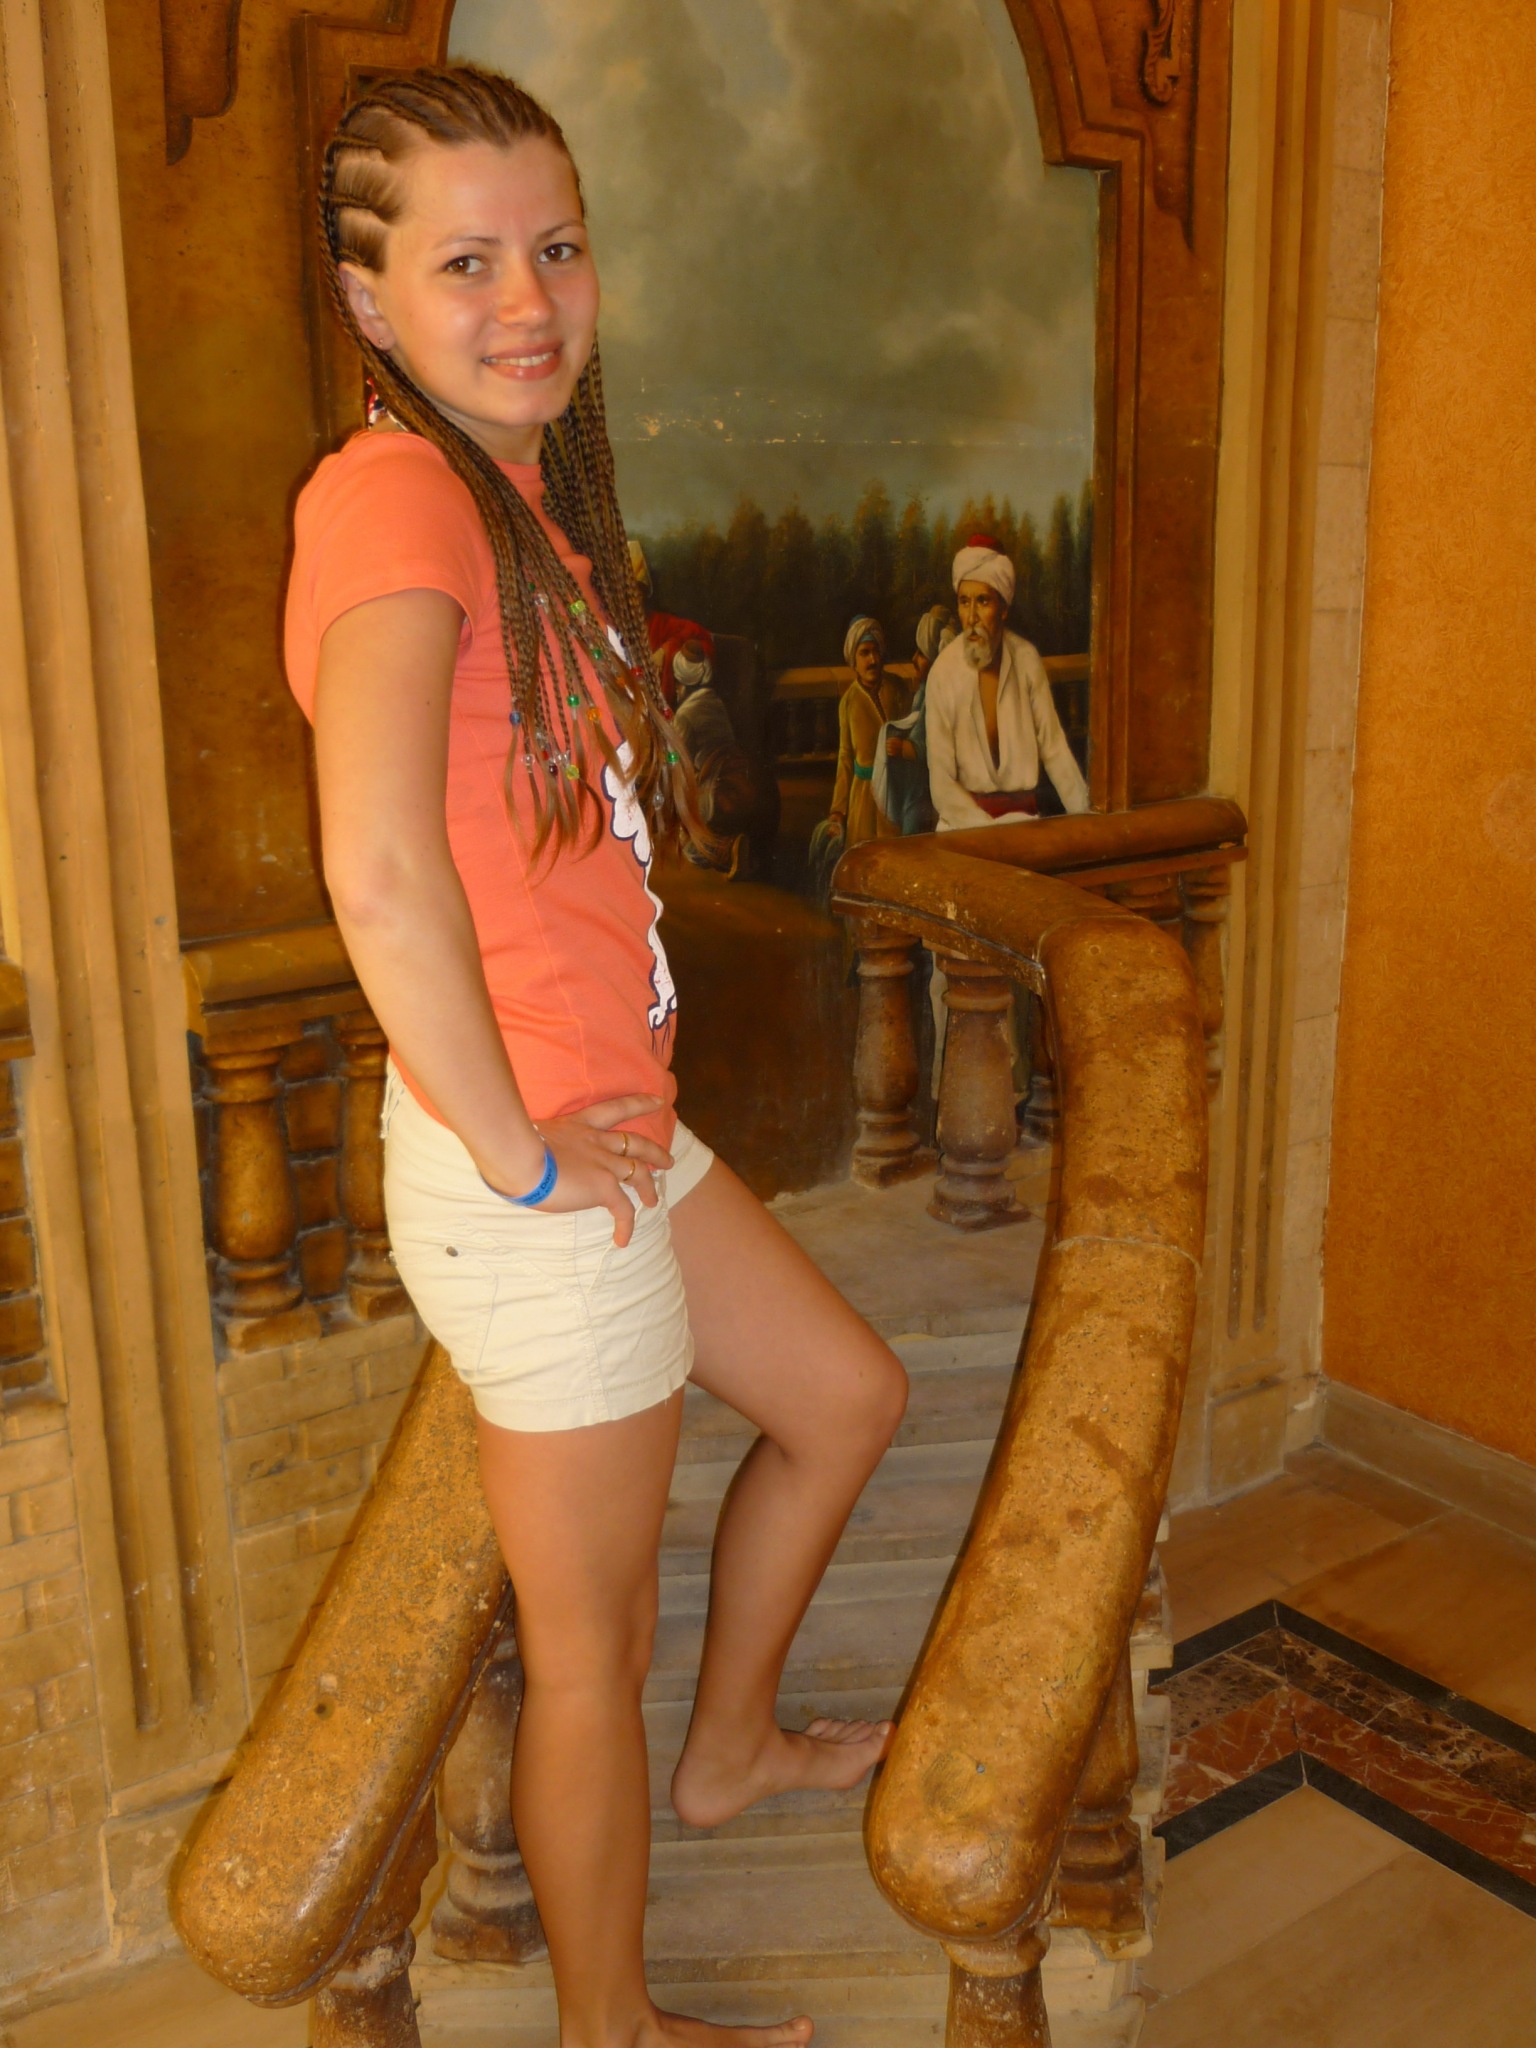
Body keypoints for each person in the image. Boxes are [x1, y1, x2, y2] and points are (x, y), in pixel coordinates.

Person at [286, 66, 906, 2048]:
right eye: (465, 261)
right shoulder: (395, 498)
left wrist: (576, 1128)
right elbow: (379, 869)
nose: (529, 299)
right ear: (368, 297)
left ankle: (733, 1753)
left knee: (846, 1395)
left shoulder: (523, 498)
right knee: (589, 1651)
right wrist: (523, 1155)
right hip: (536, 1172)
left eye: (553, 247)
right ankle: (612, 2026)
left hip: (601, 1125)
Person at [924, 534, 1089, 827]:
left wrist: (1086, 817)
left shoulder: (1026, 659)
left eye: (982, 601)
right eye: (964, 602)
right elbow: (942, 784)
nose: (971, 617)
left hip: (1023, 824)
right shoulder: (942, 674)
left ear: (1003, 609)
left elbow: (1054, 750)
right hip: (962, 829)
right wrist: (989, 833)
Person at [871, 603, 955, 836]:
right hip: (915, 788)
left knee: (915, 834)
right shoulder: (924, 690)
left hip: (926, 792)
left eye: (922, 654)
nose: (914, 658)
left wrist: (904, 748)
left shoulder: (938, 697)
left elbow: (936, 745)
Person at [671, 640, 754, 875]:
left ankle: (727, 850)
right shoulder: (715, 702)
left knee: (688, 844)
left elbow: (679, 761)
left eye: (677, 683)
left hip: (713, 783)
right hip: (736, 773)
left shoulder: (684, 715)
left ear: (683, 683)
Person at [826, 615, 908, 850]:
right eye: (864, 653)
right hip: (863, 799)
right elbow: (845, 757)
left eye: (876, 651)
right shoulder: (848, 702)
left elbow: (915, 736)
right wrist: (838, 810)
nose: (873, 660)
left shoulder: (898, 688)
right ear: (854, 659)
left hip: (896, 793)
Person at [630, 538, 712, 706]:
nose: (630, 601)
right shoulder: (608, 627)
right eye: (624, 594)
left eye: (635, 594)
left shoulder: (661, 622)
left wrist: (665, 650)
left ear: (643, 595)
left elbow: (700, 635)